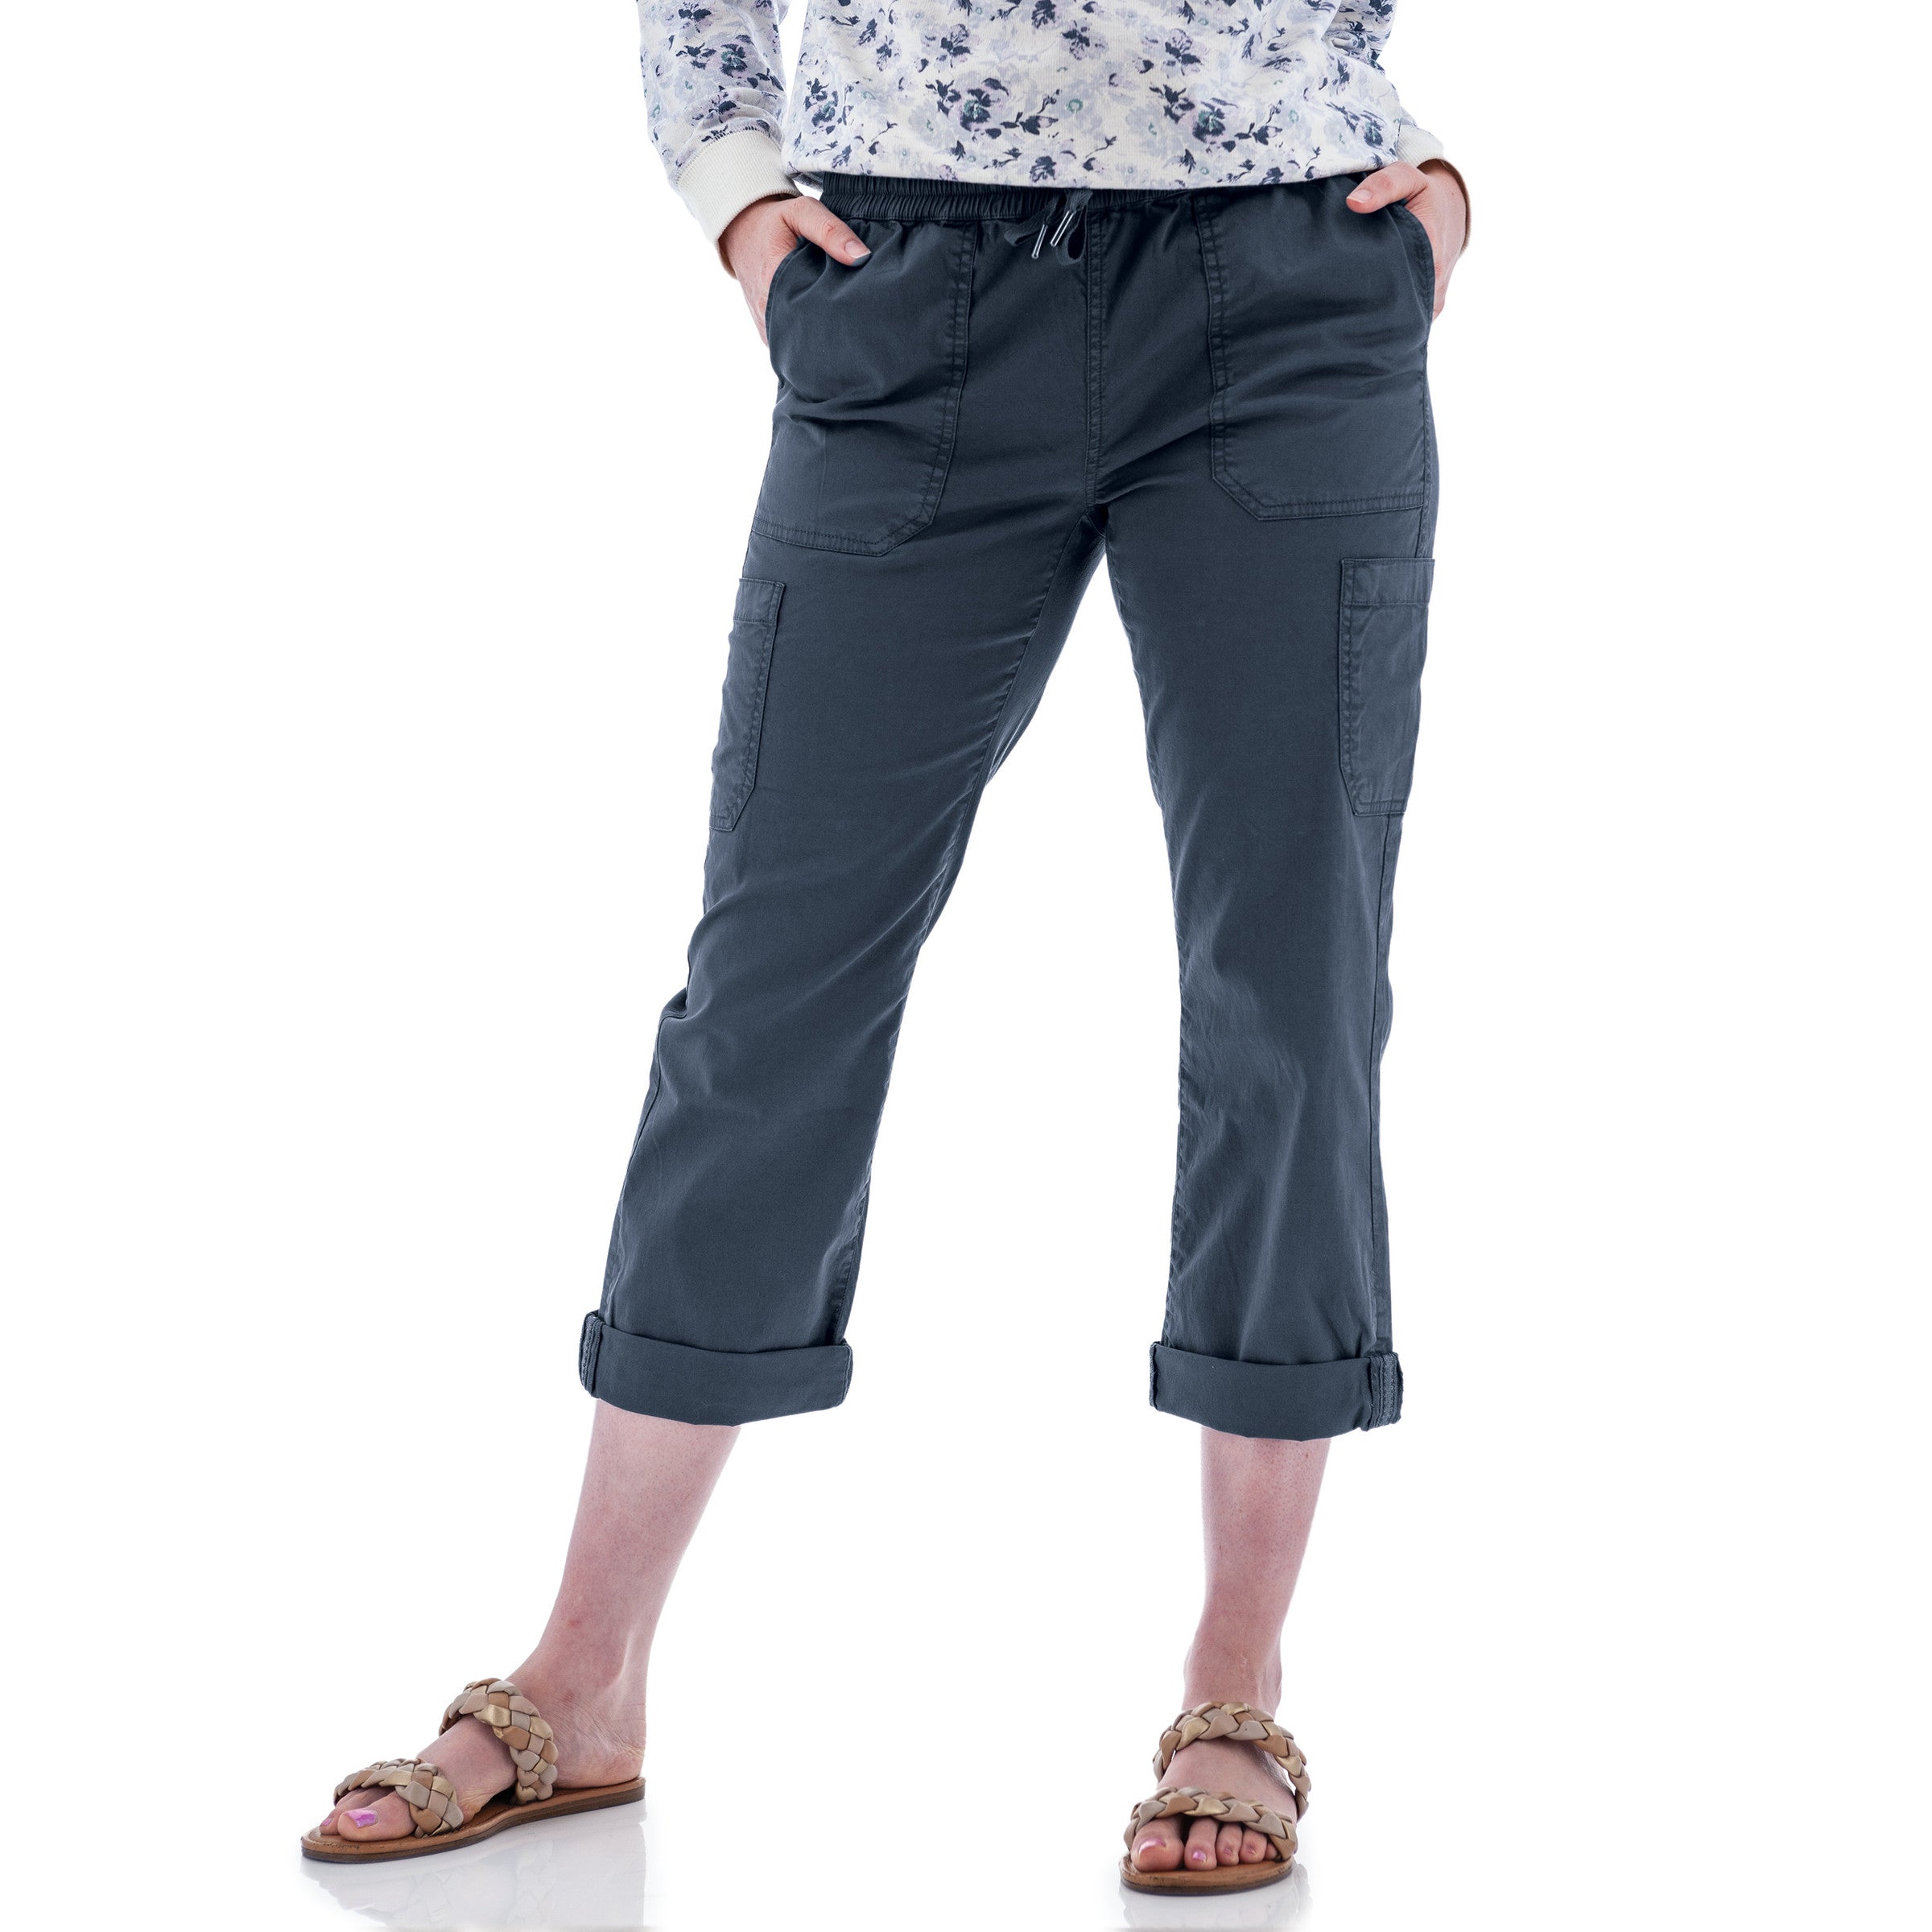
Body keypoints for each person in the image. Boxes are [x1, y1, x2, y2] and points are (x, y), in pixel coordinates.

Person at [303, 0, 1467, 1895]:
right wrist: (741, 205)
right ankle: (584, 1676)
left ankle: (1235, 1683)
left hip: (1289, 290)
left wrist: (1438, 189)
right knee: (773, 992)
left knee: (1293, 985)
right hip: (907, 293)